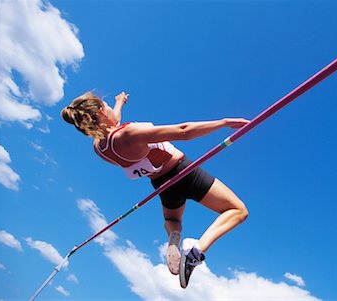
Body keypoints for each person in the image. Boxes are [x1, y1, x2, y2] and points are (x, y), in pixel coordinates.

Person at [61, 91, 249, 288]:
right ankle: (197, 249)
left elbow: (112, 120)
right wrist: (224, 122)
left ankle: (173, 240)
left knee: (173, 220)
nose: (110, 108)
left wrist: (119, 103)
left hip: (162, 185)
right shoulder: (128, 134)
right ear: (101, 111)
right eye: (106, 106)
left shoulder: (99, 147)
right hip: (184, 172)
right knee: (237, 210)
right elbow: (184, 131)